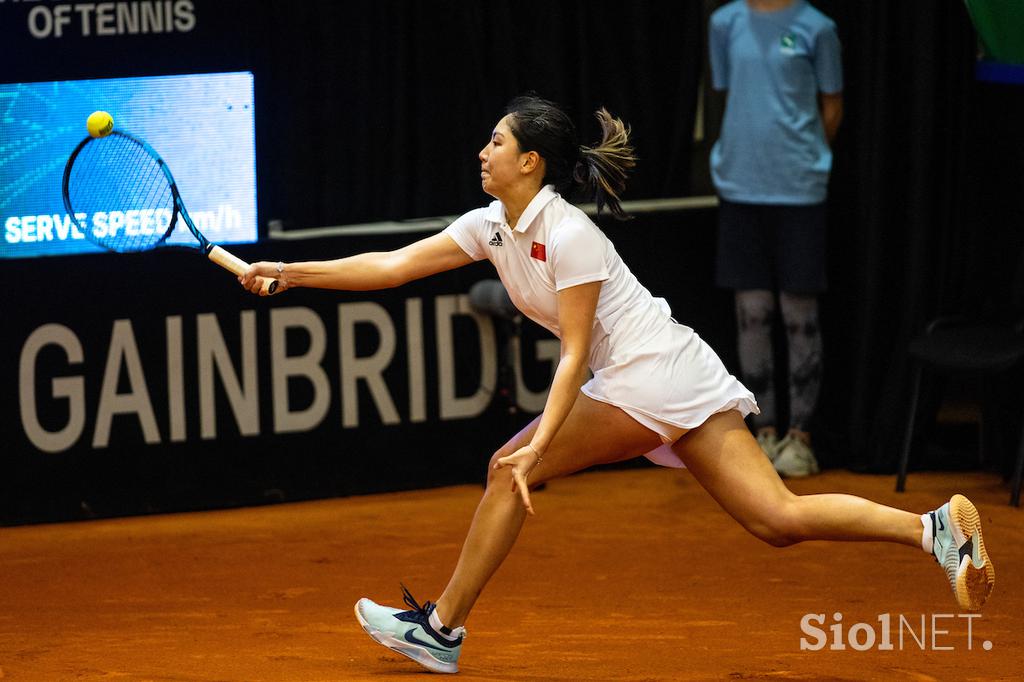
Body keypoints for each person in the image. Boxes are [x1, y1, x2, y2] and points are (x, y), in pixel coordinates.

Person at [239, 95, 994, 675]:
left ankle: (440, 630)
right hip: (676, 369)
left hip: (648, 376)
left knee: (508, 466)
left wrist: (537, 448)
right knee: (776, 518)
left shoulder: (569, 236)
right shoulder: (491, 226)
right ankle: (932, 532)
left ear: (531, 161)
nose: (483, 151)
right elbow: (393, 265)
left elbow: (573, 357)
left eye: (497, 142)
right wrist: (291, 272)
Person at [709, 0, 844, 477]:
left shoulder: (817, 27)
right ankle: (762, 434)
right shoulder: (723, 24)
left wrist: (801, 161)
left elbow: (832, 106)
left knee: (798, 316)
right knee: (752, 314)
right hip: (740, 191)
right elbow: (728, 94)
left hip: (799, 194)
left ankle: (800, 439)